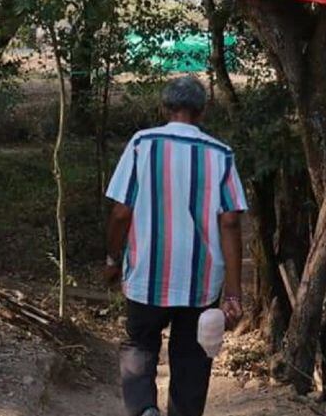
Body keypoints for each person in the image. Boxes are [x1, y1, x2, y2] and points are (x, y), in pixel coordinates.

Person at [103, 76, 247, 416]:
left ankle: (144, 409)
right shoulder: (221, 154)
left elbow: (121, 212)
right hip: (200, 281)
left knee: (140, 344)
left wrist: (112, 258)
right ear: (203, 111)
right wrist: (233, 292)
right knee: (192, 356)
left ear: (164, 107)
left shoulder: (142, 144)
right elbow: (229, 222)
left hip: (146, 274)